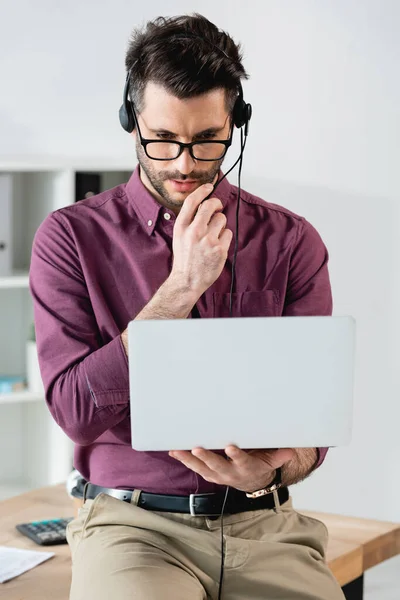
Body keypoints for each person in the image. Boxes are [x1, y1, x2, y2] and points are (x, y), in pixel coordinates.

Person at [29, 13, 345, 600]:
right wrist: (180, 288)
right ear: (131, 122)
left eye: (206, 140)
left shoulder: (292, 240)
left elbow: (314, 418)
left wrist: (276, 468)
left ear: (236, 124)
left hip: (264, 525)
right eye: (163, 139)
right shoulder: (69, 239)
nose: (183, 162)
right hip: (132, 528)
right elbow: (74, 411)